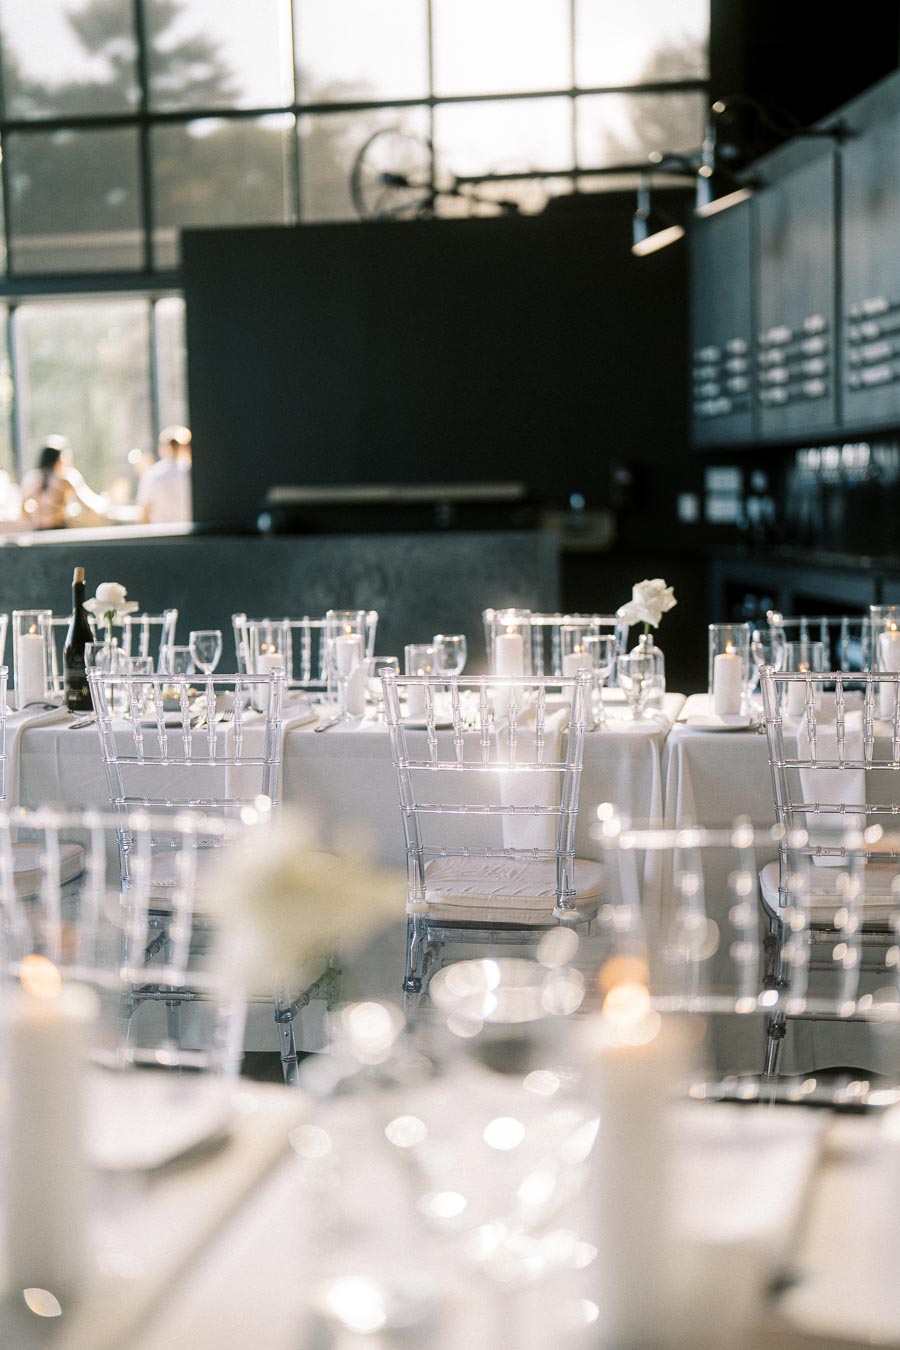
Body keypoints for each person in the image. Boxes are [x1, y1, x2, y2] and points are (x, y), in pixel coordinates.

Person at [137, 425, 193, 525]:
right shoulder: (189, 473)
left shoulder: (152, 474)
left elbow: (145, 510)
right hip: (187, 532)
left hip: (161, 534)